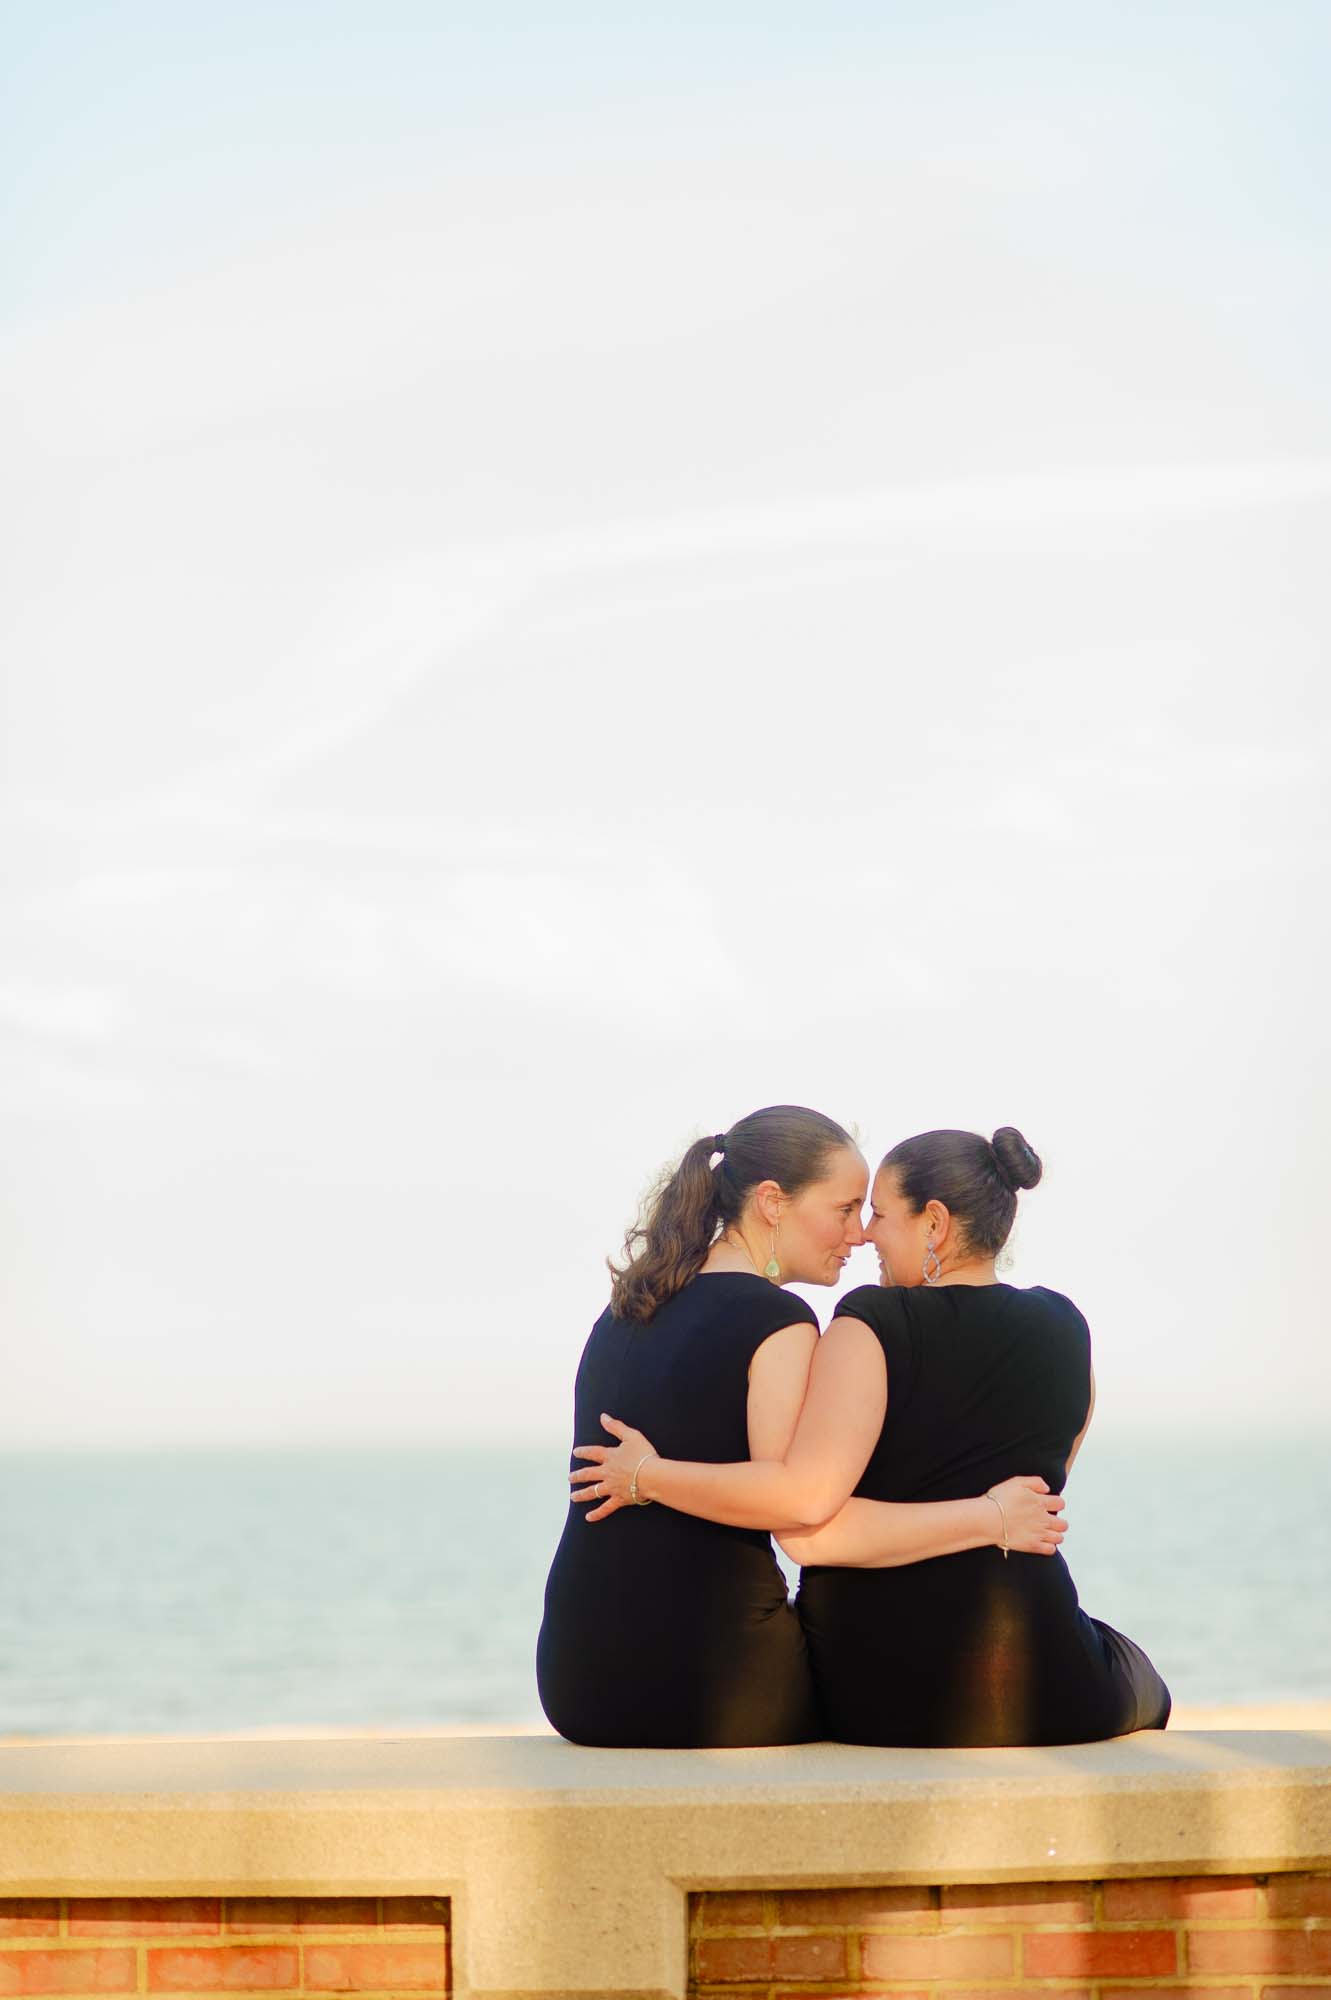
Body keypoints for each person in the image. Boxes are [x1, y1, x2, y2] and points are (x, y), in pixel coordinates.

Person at [575, 1125, 1170, 1748]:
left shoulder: (868, 1325)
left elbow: (810, 1531)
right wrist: (993, 1517)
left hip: (872, 1696)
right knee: (1133, 1669)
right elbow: (1044, 1495)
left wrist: (649, 1474)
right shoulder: (1067, 1326)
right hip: (1041, 1683)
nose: (866, 1235)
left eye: (879, 1214)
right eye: (854, 1212)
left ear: (933, 1223)